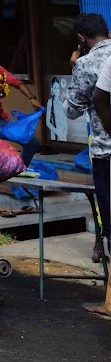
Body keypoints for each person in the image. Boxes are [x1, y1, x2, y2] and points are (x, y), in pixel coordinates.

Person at [64, 14, 111, 267]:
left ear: (81, 38)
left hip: (105, 150)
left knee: (108, 209)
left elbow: (71, 109)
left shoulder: (86, 64)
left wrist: (75, 67)